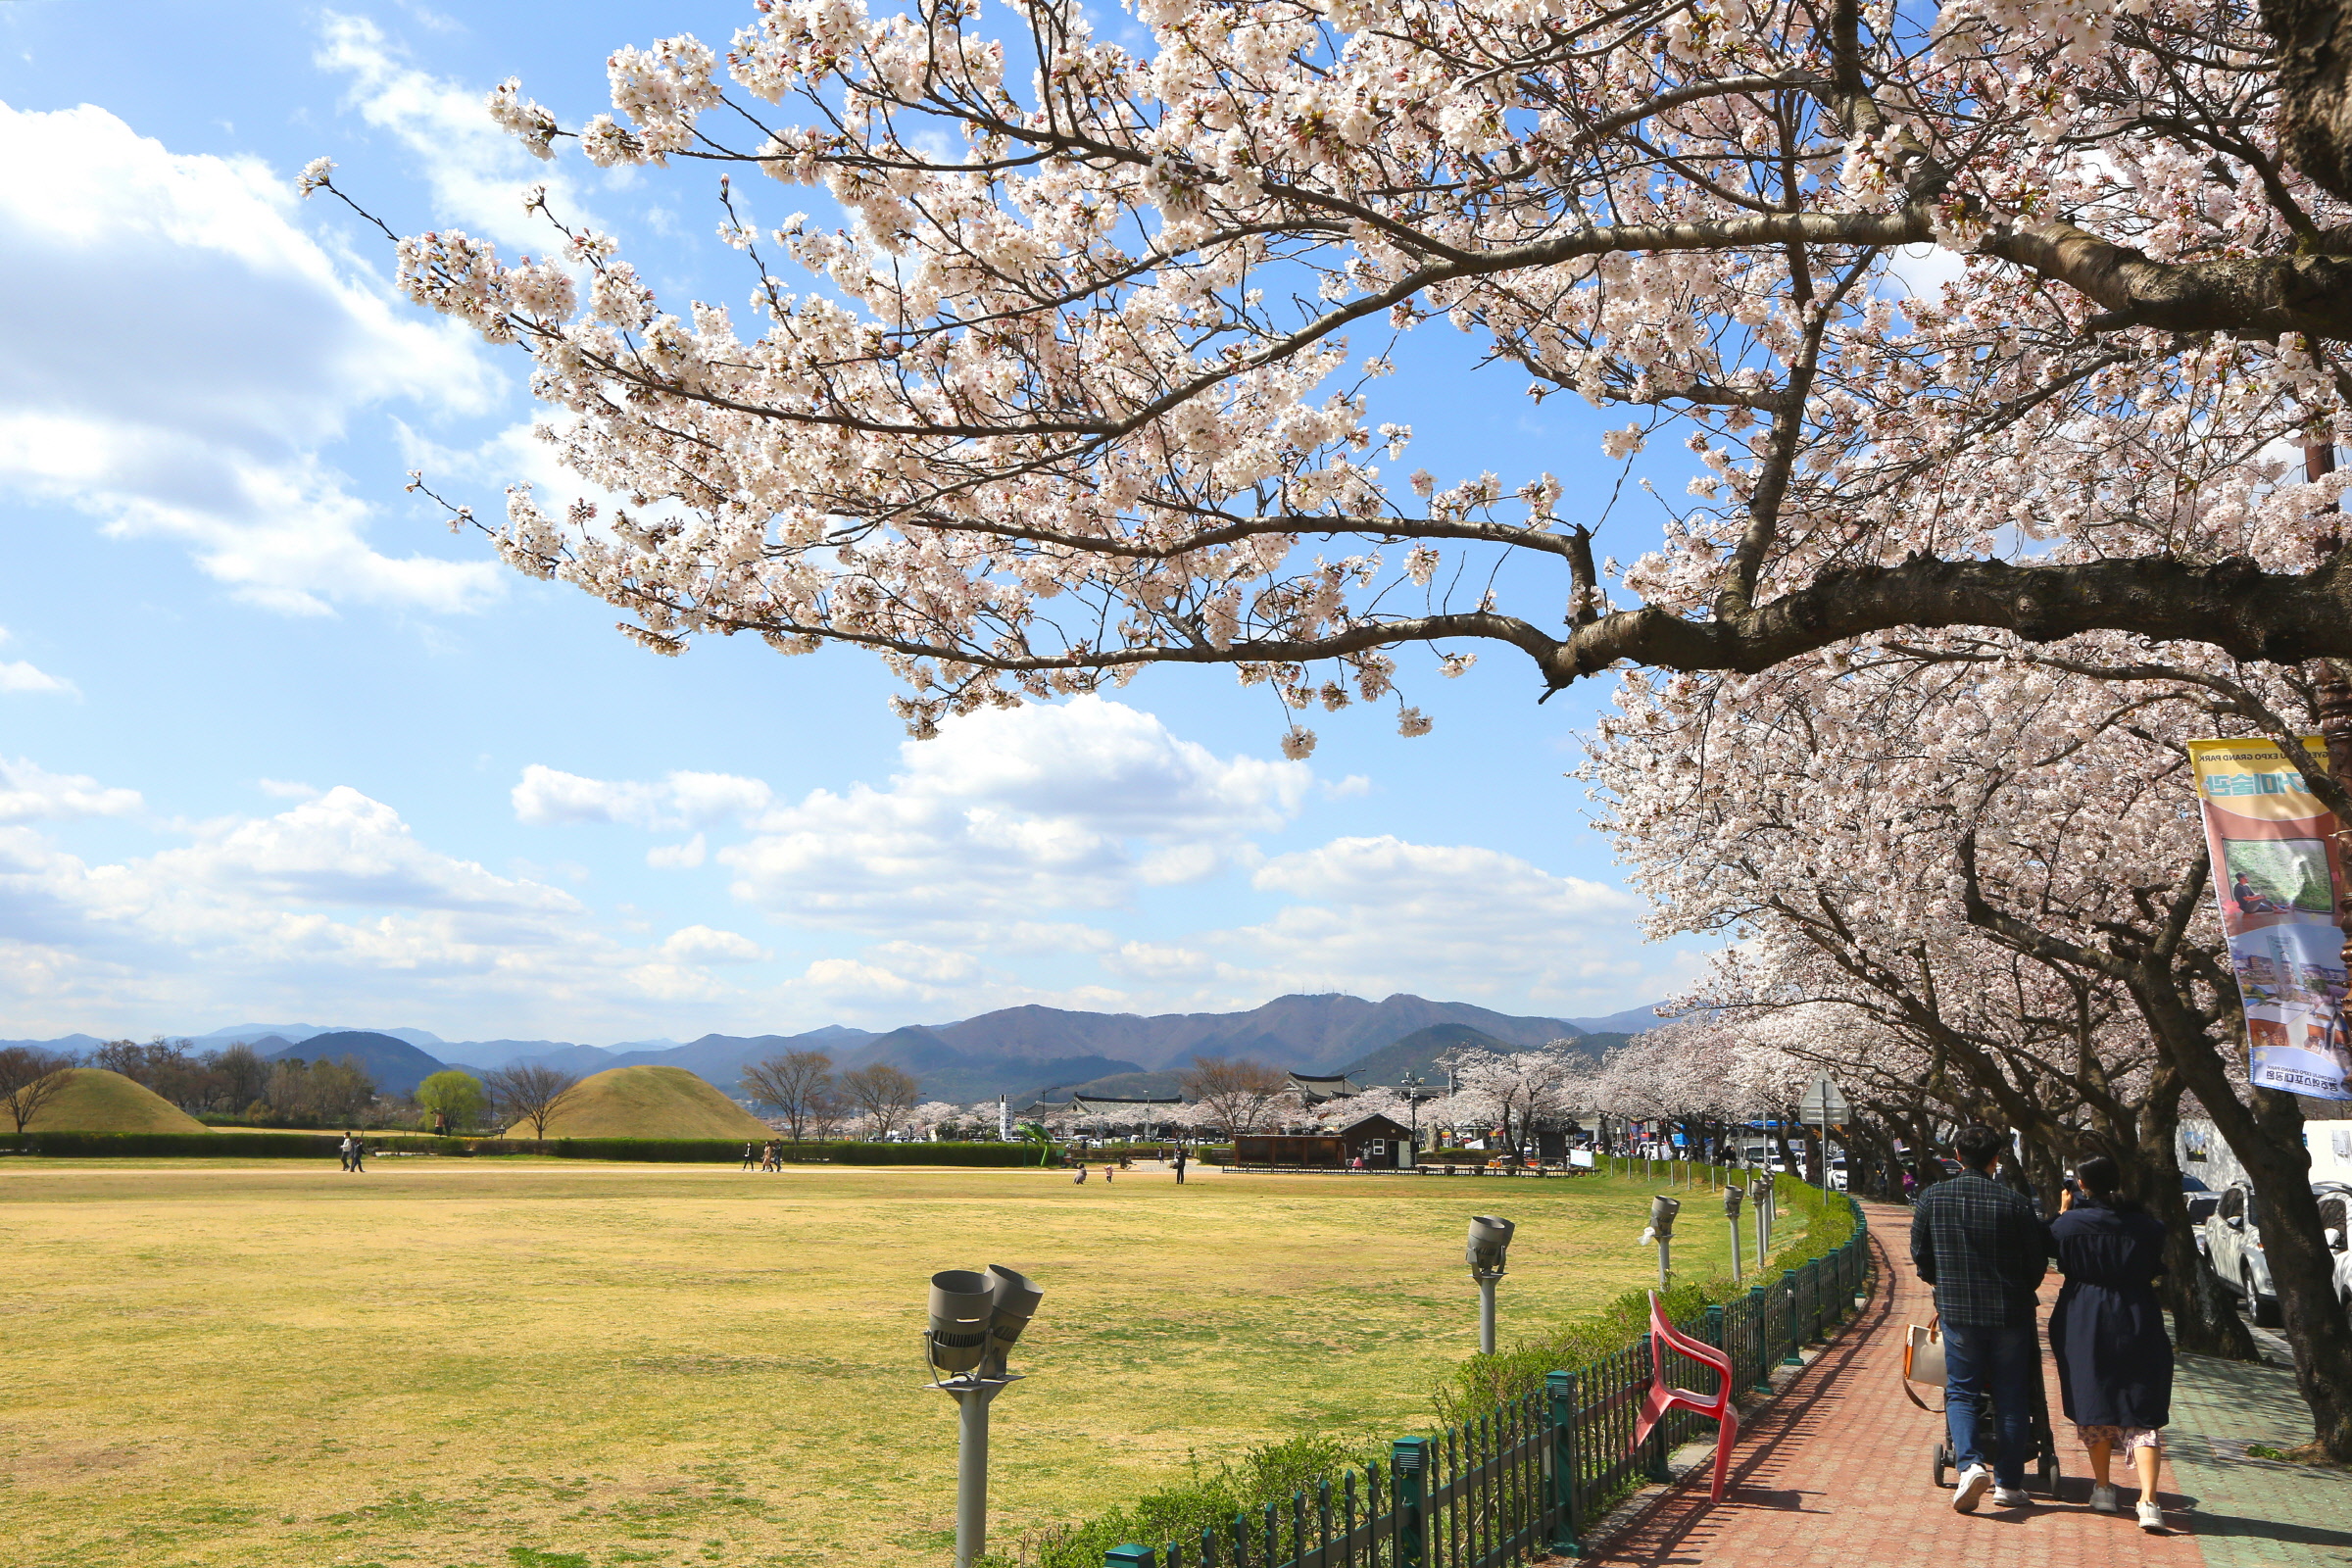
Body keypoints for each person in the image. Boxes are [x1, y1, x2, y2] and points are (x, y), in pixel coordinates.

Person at [1909, 1122, 2052, 1514]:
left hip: (1958, 1311)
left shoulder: (1932, 1198)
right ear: (1996, 1158)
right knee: (2012, 1396)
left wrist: (1940, 1282)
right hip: (2010, 1312)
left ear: (1958, 1156)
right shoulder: (2015, 1203)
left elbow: (1920, 1255)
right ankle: (2008, 1482)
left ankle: (1970, 1463)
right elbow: (2036, 1261)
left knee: (1962, 1390)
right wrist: (2021, 1288)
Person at [2049, 1154, 2175, 1534]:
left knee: (2094, 1398)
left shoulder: (2068, 1224)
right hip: (2137, 1313)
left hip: (2083, 1314)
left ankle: (2103, 1488)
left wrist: (2062, 1211)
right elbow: (2156, 1263)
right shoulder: (2148, 1227)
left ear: (2082, 1185)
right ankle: (2149, 1500)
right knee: (2142, 1404)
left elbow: (2049, 1244)